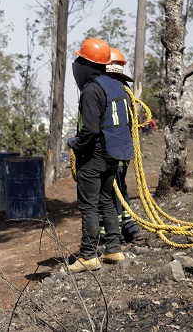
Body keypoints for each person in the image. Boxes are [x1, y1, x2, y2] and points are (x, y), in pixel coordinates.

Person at [66, 38, 135, 273]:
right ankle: (114, 249)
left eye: (79, 61)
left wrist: (77, 144)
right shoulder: (118, 86)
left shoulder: (91, 90)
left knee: (88, 205)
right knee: (106, 199)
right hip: (113, 155)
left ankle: (88, 255)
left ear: (87, 64)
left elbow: (91, 129)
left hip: (94, 155)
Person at [101, 47, 142, 243]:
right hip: (124, 151)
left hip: (110, 152)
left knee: (108, 194)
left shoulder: (105, 91)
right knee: (120, 189)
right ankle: (130, 227)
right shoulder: (125, 91)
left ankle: (111, 234)